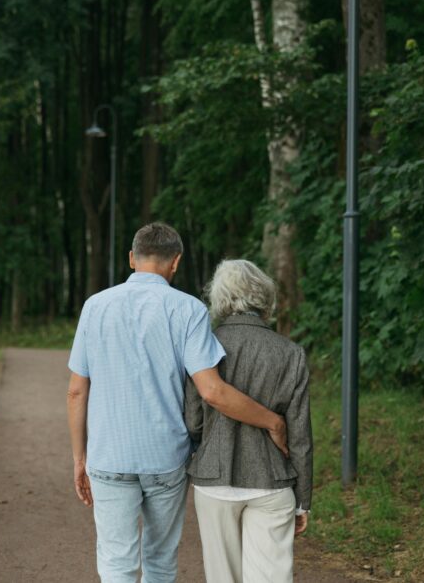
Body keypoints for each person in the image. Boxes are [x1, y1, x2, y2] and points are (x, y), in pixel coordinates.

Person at [67, 222, 289, 583]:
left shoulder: (95, 307)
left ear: (131, 259)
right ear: (176, 263)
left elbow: (76, 391)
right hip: (164, 459)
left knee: (116, 563)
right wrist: (273, 422)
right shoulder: (189, 310)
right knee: (159, 560)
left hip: (108, 456)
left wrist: (80, 458)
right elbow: (212, 391)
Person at [184, 259, 312, 583]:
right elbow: (299, 436)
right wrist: (303, 502)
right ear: (265, 299)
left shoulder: (203, 345)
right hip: (272, 482)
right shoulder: (291, 353)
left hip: (214, 480)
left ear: (221, 298)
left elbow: (194, 422)